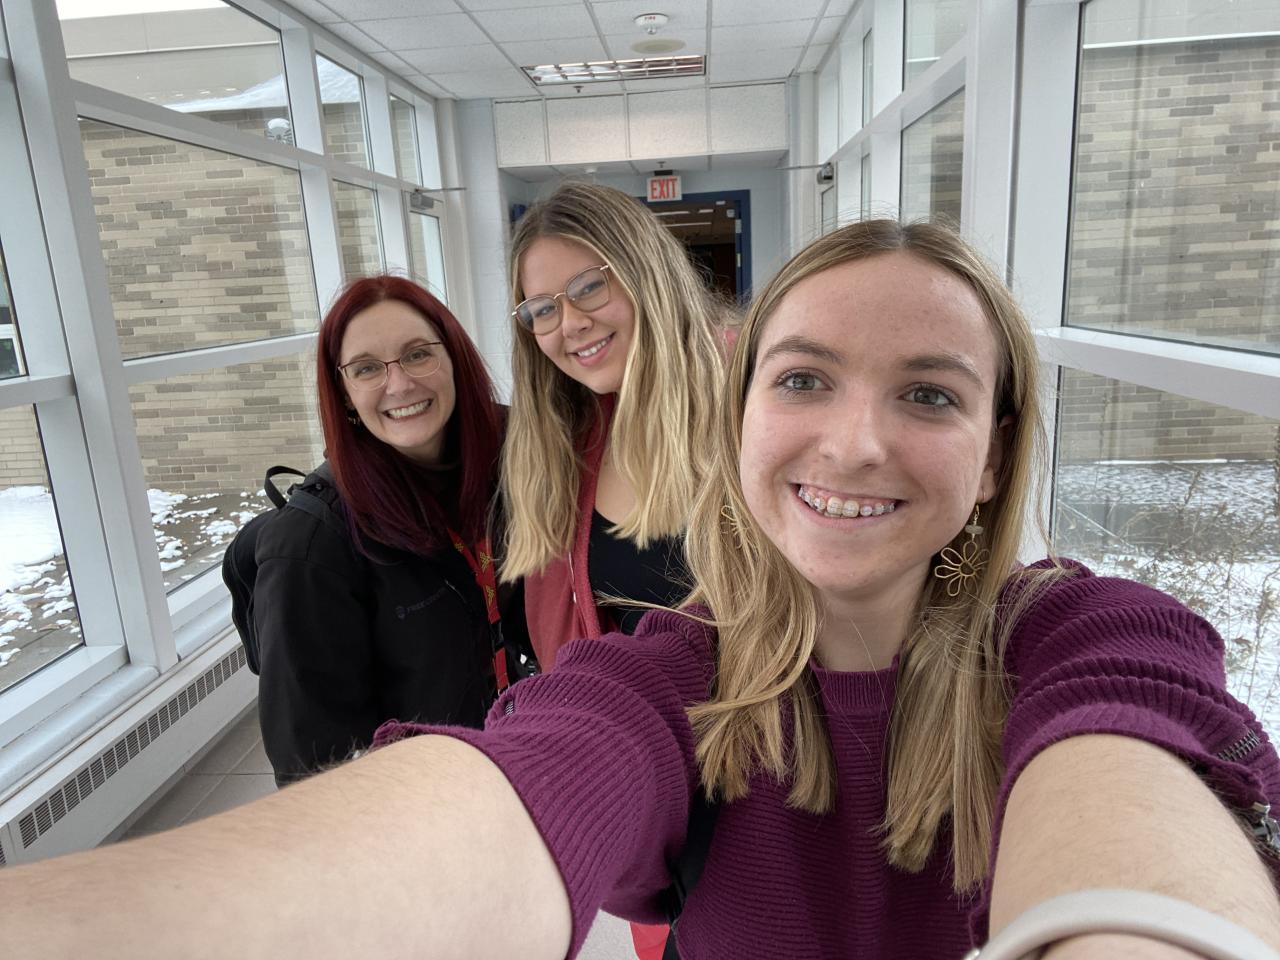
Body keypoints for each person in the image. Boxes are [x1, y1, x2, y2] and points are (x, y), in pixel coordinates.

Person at [4, 222, 1279, 960]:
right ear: (743, 414)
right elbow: (530, 775)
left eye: (928, 393)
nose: (851, 444)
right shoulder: (661, 679)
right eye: (802, 380)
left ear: (995, 452)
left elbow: (1140, 841)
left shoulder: (1087, 639)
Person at [246, 274, 521, 786]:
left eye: (418, 354)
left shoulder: (513, 456)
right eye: (367, 368)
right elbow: (313, 768)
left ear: (455, 359)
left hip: (513, 749)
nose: (399, 385)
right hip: (421, 800)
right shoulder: (310, 545)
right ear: (345, 394)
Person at [500, 181, 728, 672]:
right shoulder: (569, 440)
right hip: (640, 717)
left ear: (645, 272)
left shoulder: (754, 398)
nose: (570, 323)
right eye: (543, 309)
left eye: (588, 287)